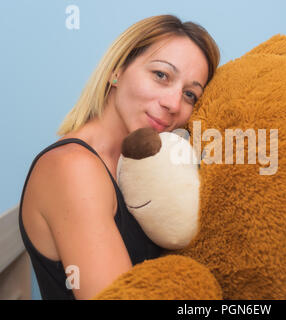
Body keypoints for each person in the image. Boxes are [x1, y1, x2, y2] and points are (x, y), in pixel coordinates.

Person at [18, 14, 220, 300]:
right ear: (117, 71)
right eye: (161, 75)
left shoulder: (142, 170)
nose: (174, 104)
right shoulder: (72, 168)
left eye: (190, 95)